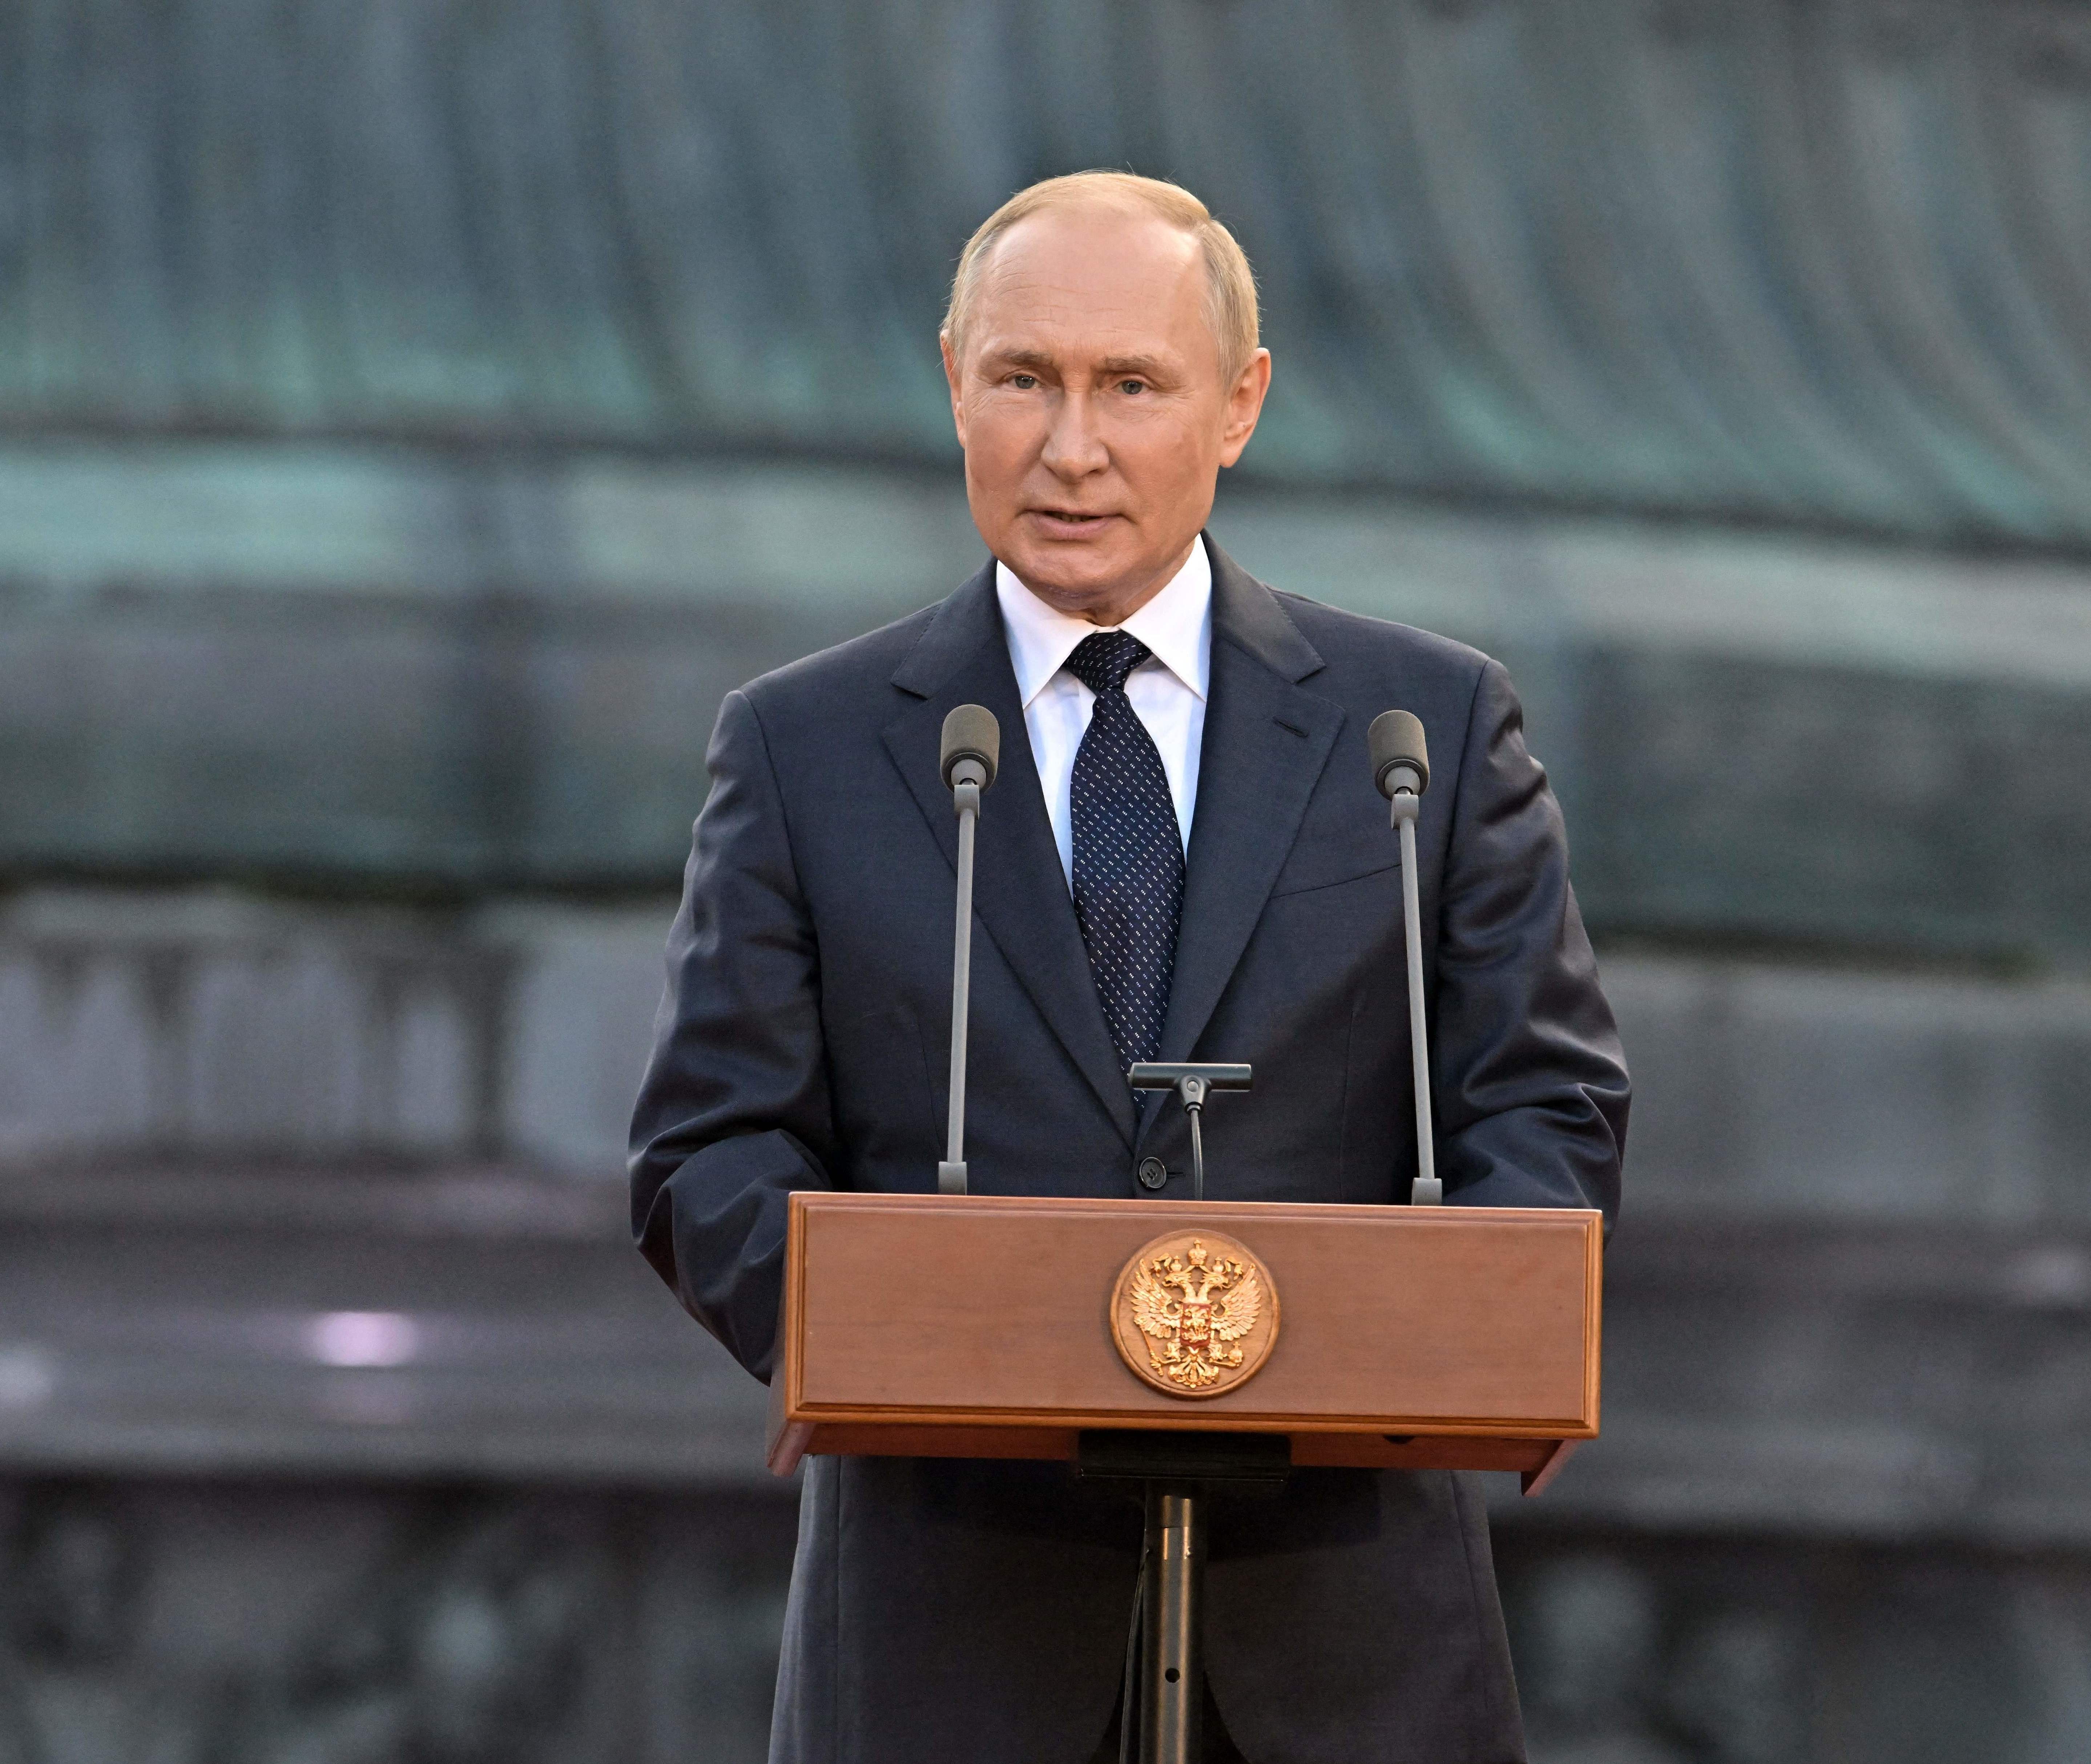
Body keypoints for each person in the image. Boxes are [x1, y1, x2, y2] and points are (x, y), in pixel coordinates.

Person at [629, 171, 1629, 1764]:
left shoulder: (1418, 734)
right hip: (949, 1636)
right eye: (1023, 379)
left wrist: (1463, 1327)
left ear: (1238, 407)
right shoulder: (806, 745)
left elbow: (1544, 1098)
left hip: (1340, 1635)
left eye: (1131, 386)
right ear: (951, 380)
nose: (1070, 445)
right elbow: (706, 1147)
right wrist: (900, 1326)